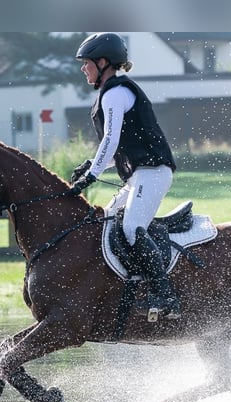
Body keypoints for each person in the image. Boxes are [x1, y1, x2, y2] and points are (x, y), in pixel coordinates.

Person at [70, 32, 180, 320]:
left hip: (152, 173)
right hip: (139, 175)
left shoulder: (116, 93)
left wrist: (92, 175)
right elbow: (119, 148)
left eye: (87, 63)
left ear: (103, 62)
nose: (83, 68)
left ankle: (165, 296)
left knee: (131, 229)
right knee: (107, 224)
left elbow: (110, 140)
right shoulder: (111, 93)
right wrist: (91, 165)